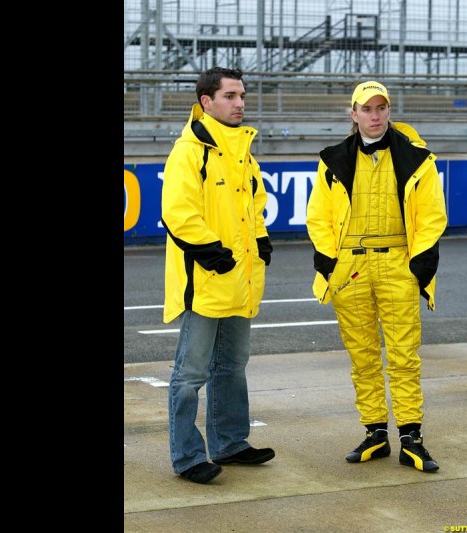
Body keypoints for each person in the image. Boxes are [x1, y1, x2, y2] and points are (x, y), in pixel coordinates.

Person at [305, 80, 447, 473]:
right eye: (367, 108)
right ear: (354, 114)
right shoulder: (332, 160)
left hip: (398, 262)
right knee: (362, 356)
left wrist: (418, 263)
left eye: (381, 107)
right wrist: (328, 261)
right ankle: (374, 433)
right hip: (350, 267)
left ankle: (411, 437)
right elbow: (317, 216)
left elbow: (433, 216)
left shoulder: (417, 157)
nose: (375, 115)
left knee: (404, 356)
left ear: (389, 111)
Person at [160, 66, 275, 484]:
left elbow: (253, 206)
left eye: (242, 95)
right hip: (205, 279)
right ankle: (187, 456)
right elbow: (177, 211)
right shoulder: (188, 150)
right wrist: (210, 251)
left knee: (232, 365)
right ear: (206, 102)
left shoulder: (242, 150)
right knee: (190, 373)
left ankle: (230, 443)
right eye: (230, 96)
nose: (240, 103)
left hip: (239, 278)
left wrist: (260, 239)